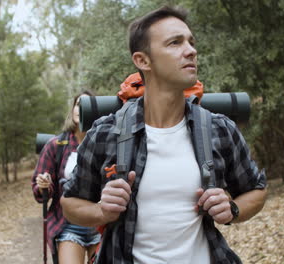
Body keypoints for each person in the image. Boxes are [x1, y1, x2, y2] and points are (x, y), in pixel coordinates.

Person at [61, 6, 267, 264]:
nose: (191, 50)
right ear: (142, 60)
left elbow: (256, 191)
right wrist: (101, 211)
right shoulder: (105, 133)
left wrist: (233, 209)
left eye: (191, 42)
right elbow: (70, 203)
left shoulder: (219, 129)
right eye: (175, 43)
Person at [31, 90, 101, 264]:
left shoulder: (105, 142)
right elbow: (39, 191)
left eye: (86, 104)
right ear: (72, 110)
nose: (81, 109)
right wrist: (43, 185)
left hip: (100, 224)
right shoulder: (56, 145)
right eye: (78, 104)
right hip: (67, 225)